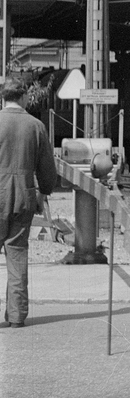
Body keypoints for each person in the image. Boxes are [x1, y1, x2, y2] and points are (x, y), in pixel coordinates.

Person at [0, 77, 57, 328]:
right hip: (23, 197)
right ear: (24, 97)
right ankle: (16, 316)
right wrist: (43, 193)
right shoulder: (36, 126)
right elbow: (47, 170)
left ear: (3, 98)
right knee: (17, 254)